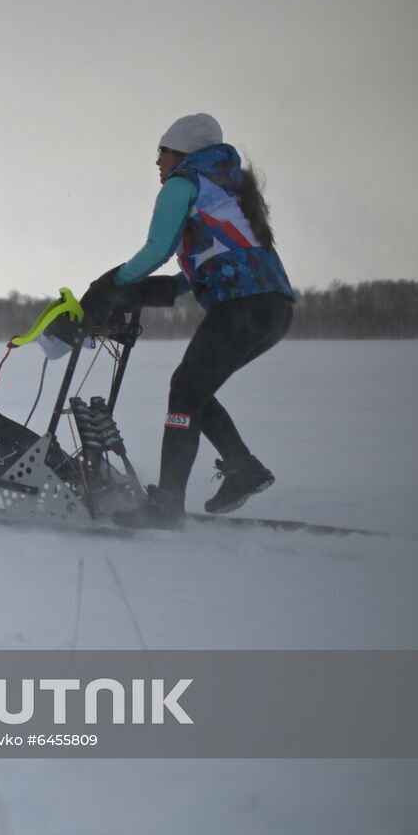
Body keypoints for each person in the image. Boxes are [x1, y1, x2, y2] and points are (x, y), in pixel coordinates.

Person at [94, 113, 294, 529]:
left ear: (182, 153)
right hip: (274, 308)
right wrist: (161, 291)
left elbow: (156, 250)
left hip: (243, 306)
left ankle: (169, 504)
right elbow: (211, 264)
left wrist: (110, 285)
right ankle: (242, 467)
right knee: (194, 389)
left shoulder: (183, 184)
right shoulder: (229, 191)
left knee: (185, 389)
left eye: (162, 151)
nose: (158, 162)